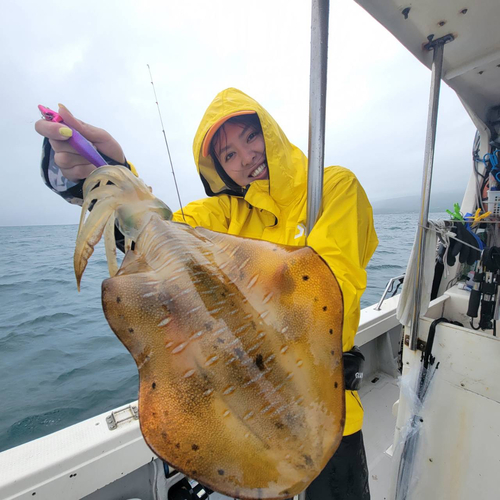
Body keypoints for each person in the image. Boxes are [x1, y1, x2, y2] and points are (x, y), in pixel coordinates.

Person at [35, 88, 378, 499]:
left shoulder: (333, 186)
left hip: (330, 412)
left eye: (249, 137)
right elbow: (153, 233)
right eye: (229, 155)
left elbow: (330, 292)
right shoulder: (223, 215)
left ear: (269, 132)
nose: (246, 157)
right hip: (245, 427)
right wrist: (112, 171)